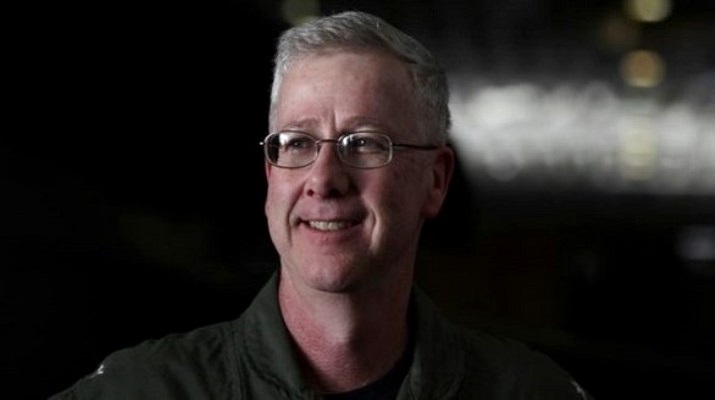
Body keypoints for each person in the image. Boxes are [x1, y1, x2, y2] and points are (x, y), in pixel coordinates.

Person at [50, 10, 593, 399]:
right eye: (297, 143)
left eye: (365, 143)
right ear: (270, 174)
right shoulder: (142, 390)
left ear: (435, 181)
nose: (324, 179)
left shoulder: (532, 391)